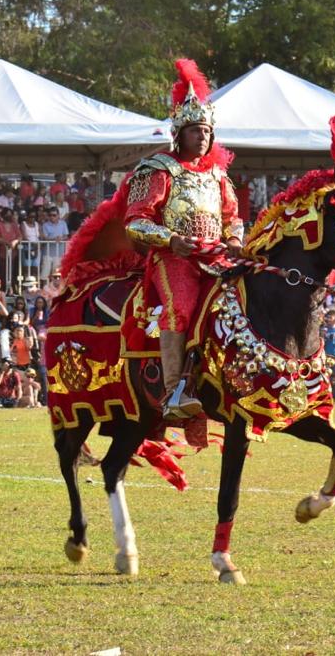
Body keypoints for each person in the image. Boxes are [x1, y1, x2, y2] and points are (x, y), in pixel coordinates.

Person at [124, 59, 243, 420]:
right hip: (174, 259)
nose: (202, 137)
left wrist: (236, 240)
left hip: (217, 257)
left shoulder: (218, 176)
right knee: (181, 308)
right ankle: (174, 390)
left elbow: (232, 217)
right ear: (179, 134)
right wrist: (171, 240)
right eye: (195, 130)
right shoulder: (157, 169)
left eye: (206, 131)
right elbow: (135, 221)